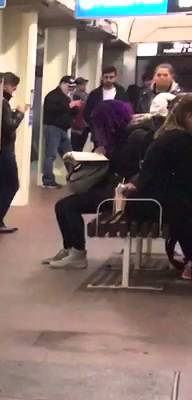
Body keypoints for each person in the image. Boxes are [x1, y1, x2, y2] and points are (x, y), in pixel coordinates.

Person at [45, 100, 146, 270]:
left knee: (69, 206)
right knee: (62, 206)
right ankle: (70, 249)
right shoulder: (116, 138)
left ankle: (78, 253)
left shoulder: (133, 138)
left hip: (122, 192)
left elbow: (127, 167)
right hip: (112, 187)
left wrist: (105, 155)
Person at [122, 95, 192, 280]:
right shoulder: (180, 139)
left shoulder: (169, 134)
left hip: (146, 200)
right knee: (184, 207)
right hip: (153, 204)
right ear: (188, 117)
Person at [0, 72, 27, 234]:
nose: (14, 90)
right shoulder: (2, 103)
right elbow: (9, 127)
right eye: (13, 86)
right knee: (12, 185)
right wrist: (20, 113)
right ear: (5, 85)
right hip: (5, 151)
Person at [41, 76, 76, 188]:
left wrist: (74, 108)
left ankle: (74, 178)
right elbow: (51, 110)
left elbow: (69, 112)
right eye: (69, 86)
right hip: (53, 128)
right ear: (62, 83)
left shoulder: (67, 97)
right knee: (50, 155)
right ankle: (48, 180)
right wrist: (69, 106)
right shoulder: (52, 96)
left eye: (72, 87)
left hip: (63, 129)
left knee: (69, 155)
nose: (70, 89)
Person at [83, 66, 121, 146]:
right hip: (99, 132)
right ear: (102, 77)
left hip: (116, 132)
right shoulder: (94, 94)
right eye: (106, 77)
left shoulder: (121, 93)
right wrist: (93, 125)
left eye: (111, 77)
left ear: (115, 77)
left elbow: (126, 111)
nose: (108, 80)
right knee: (98, 156)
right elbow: (87, 112)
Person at [71, 77, 91, 151]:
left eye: (85, 85)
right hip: (77, 126)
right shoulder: (76, 95)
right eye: (83, 85)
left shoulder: (87, 95)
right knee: (76, 149)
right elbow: (76, 109)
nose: (85, 86)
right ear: (78, 85)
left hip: (85, 125)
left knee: (80, 148)